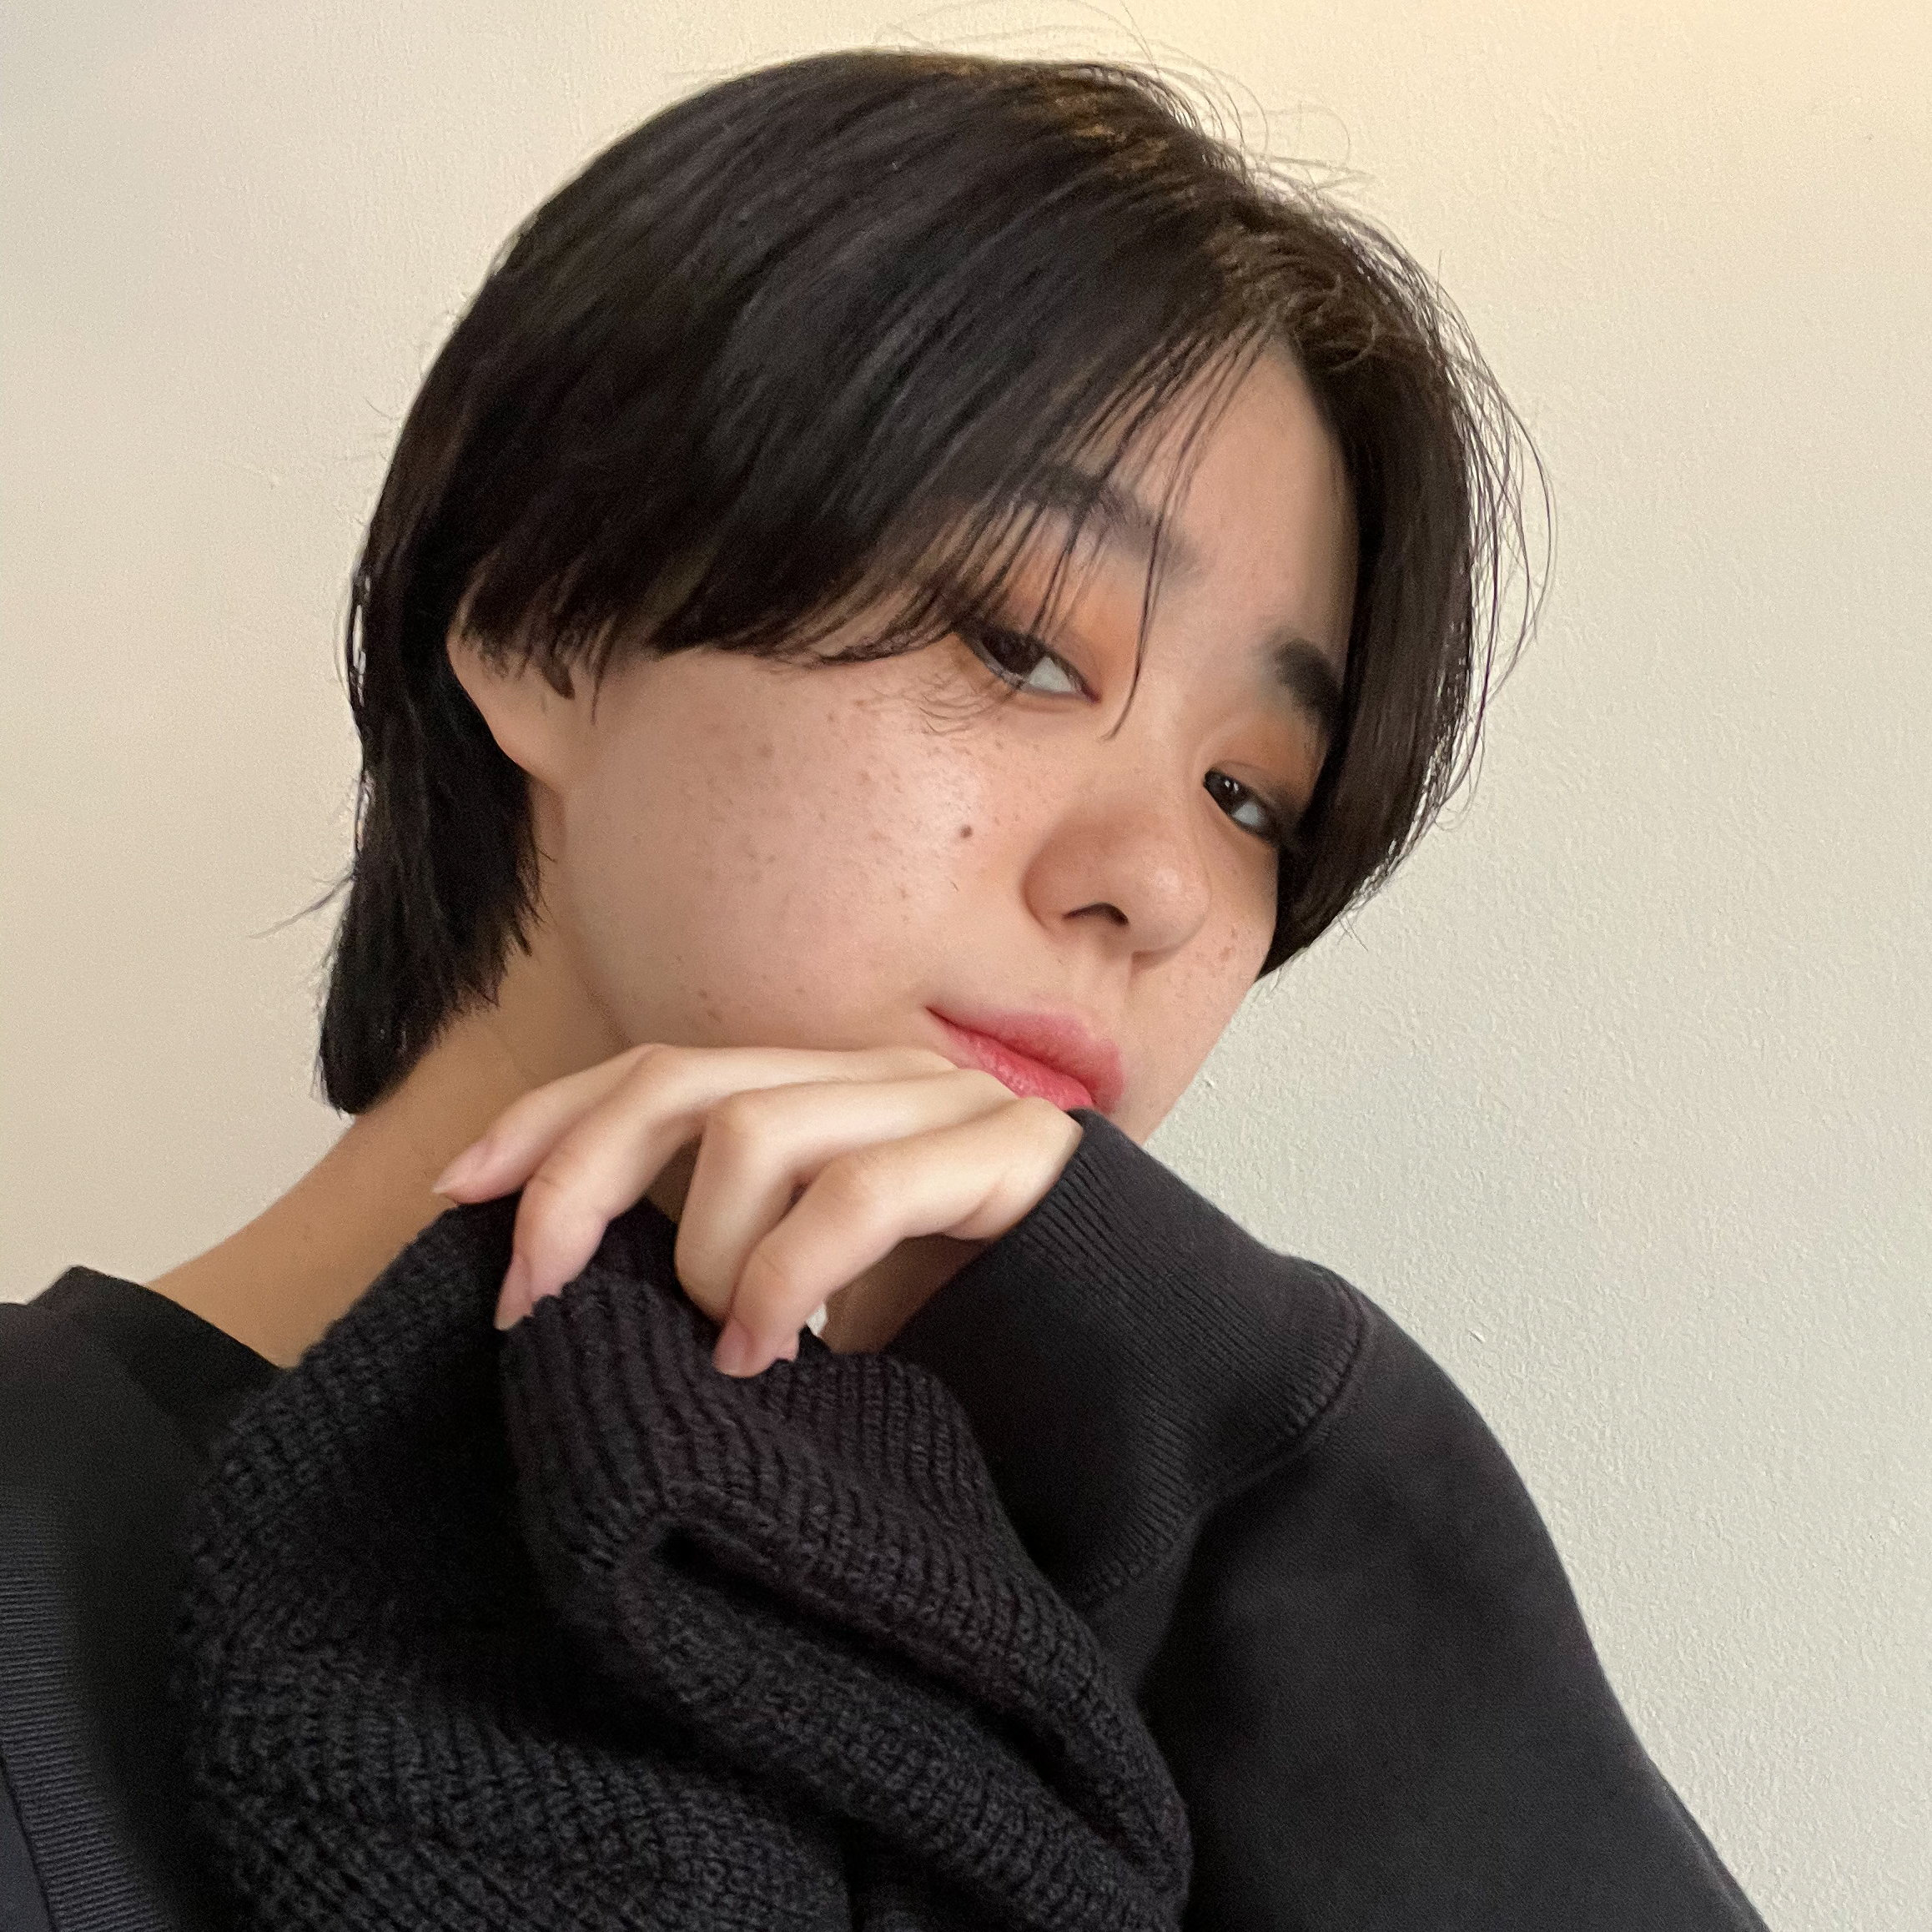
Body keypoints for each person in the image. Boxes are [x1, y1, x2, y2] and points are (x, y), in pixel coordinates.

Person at [0, 46, 1769, 1930]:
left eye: (1253, 795)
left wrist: (1267, 1448)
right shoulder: (45, 1576)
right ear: (544, 626)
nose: (1165, 884)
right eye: (1018, 645)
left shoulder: (1151, 1683)